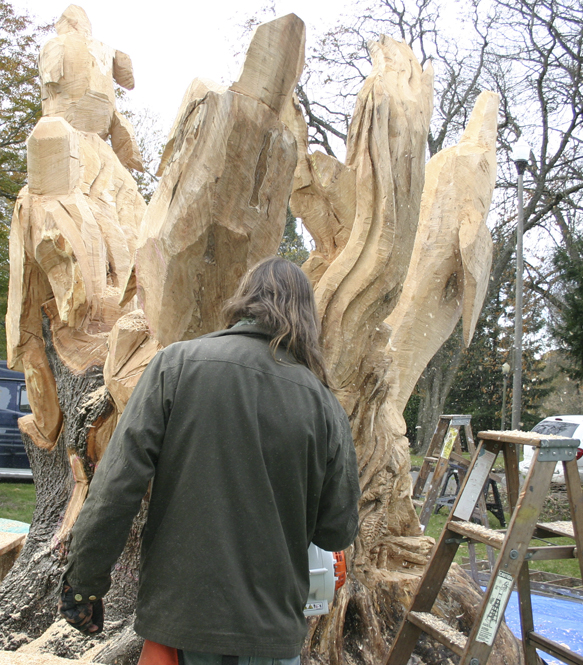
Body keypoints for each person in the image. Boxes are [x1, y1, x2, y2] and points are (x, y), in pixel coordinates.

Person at [59, 256, 361, 665]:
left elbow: (115, 488)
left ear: (245, 301)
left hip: (181, 626)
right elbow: (335, 531)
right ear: (306, 317)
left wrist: (83, 586)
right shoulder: (324, 405)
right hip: (270, 635)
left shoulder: (176, 365)